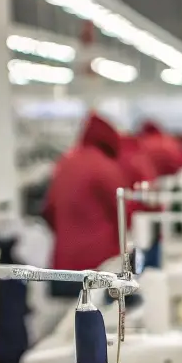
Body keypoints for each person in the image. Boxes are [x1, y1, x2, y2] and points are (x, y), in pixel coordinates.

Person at [42, 112, 133, 276]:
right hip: (99, 265)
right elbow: (124, 215)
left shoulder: (64, 162)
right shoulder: (106, 167)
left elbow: (49, 210)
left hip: (63, 263)